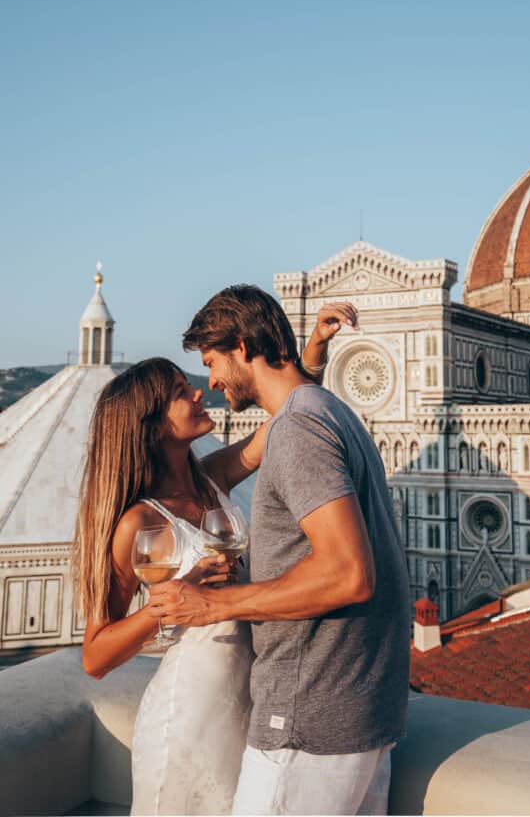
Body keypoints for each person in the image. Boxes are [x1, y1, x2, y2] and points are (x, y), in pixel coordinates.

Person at [72, 303, 350, 816]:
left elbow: (276, 425)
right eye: (181, 393)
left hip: (243, 706)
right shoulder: (139, 522)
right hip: (188, 710)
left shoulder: (210, 478)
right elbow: (95, 656)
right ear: (152, 425)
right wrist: (169, 603)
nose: (199, 391)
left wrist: (311, 355)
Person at [150, 285, 411, 817]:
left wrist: (214, 604)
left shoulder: (298, 428)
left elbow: (346, 574)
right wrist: (310, 353)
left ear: (243, 347)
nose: (212, 382)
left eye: (211, 362)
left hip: (308, 719)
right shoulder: (325, 410)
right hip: (359, 710)